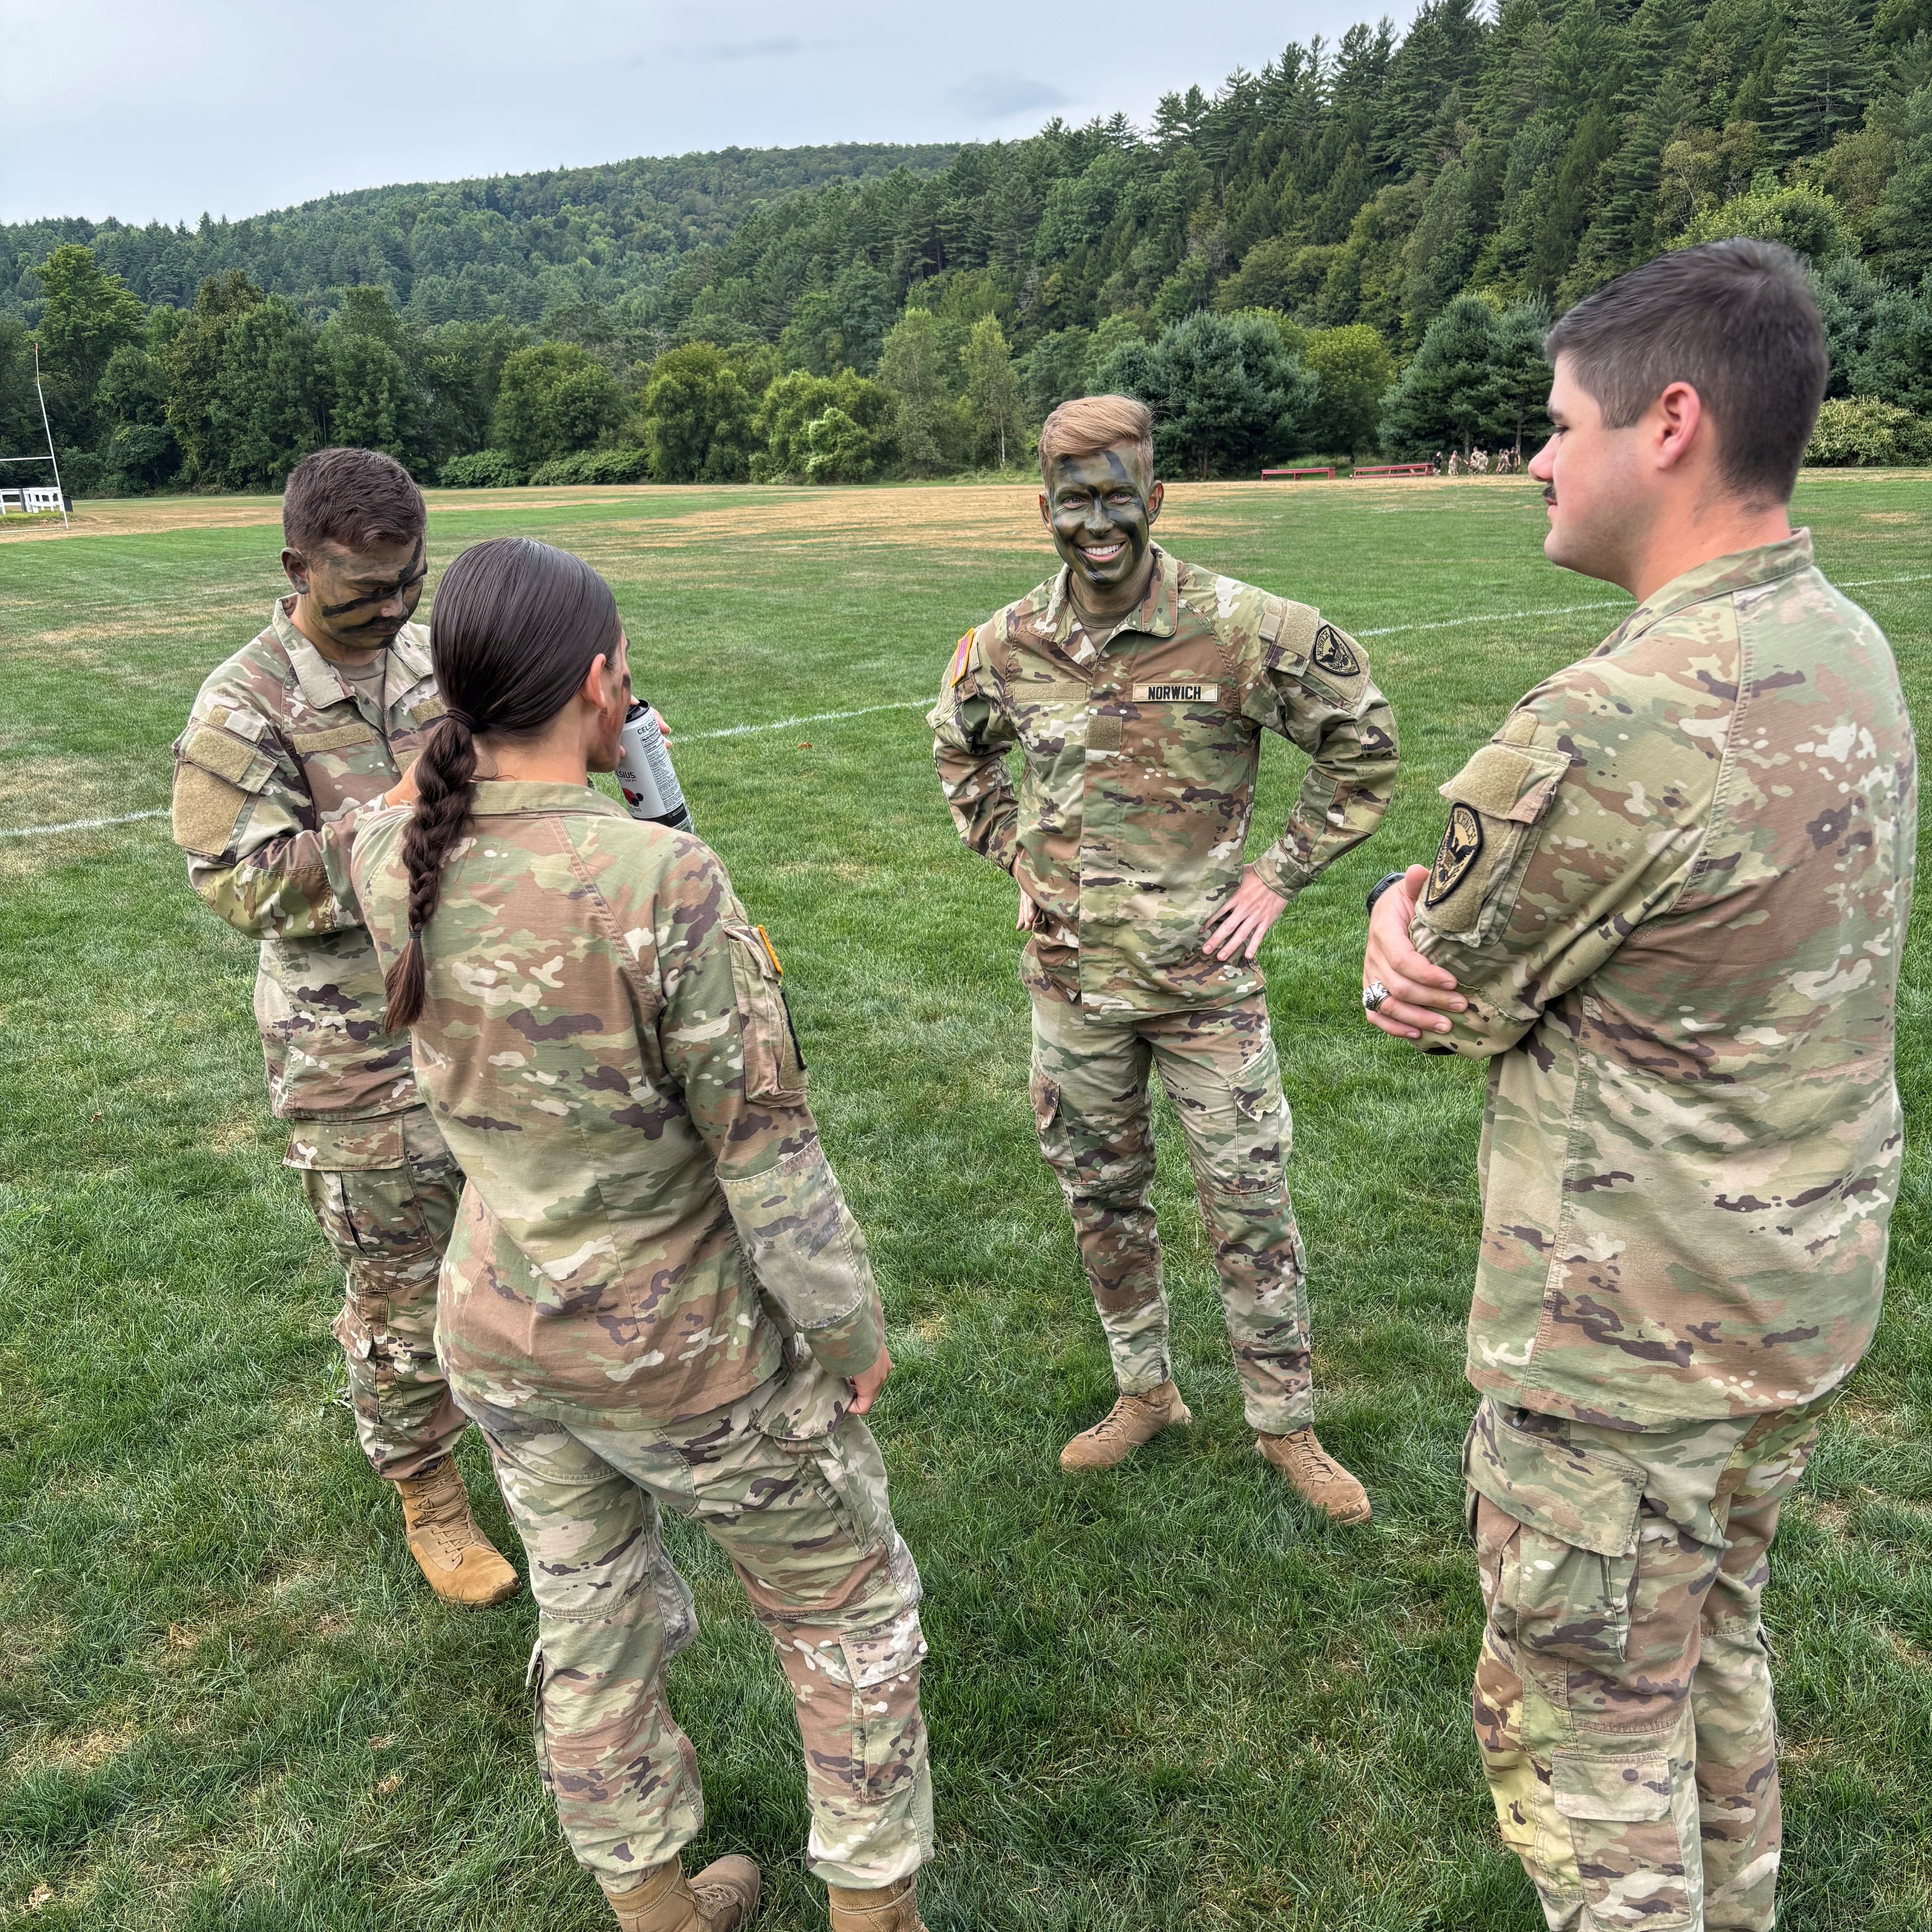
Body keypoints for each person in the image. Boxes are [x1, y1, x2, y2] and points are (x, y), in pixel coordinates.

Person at [1359, 240, 1915, 1932]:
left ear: (1667, 423)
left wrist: (1390, 905)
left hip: (1629, 1346)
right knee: (1712, 1649)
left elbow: (1438, 981)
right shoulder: (1842, 638)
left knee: (1588, 1735)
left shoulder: (1618, 718)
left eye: (1555, 422)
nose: (1536, 457)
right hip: (1790, 1300)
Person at [352, 537, 934, 1932]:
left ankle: (657, 1911)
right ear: (606, 685)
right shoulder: (662, 881)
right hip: (686, 1352)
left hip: (498, 1332)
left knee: (590, 1623)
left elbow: (424, 809)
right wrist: (847, 1331)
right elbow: (768, 1148)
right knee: (847, 1611)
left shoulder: (388, 846)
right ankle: (874, 1915)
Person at [930, 394, 1399, 1520]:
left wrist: (1276, 876)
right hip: (1072, 989)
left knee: (1248, 1199)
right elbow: (959, 752)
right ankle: (1145, 1392)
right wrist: (1023, 864)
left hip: (1205, 989)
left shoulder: (1243, 628)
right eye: (1075, 497)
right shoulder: (1005, 645)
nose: (1099, 520)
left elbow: (1364, 745)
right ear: (1042, 505)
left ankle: (1286, 1423)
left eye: (1118, 494)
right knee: (1101, 1196)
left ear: (1156, 495)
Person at [170, 446, 516, 1608]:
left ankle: (541, 1443)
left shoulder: (434, 659)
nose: (391, 606)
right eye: (362, 588)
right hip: (354, 1056)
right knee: (402, 1289)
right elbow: (242, 884)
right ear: (296, 566)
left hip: (484, 1014)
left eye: (408, 579)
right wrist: (399, 819)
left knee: (524, 1250)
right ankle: (428, 1490)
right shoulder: (243, 704)